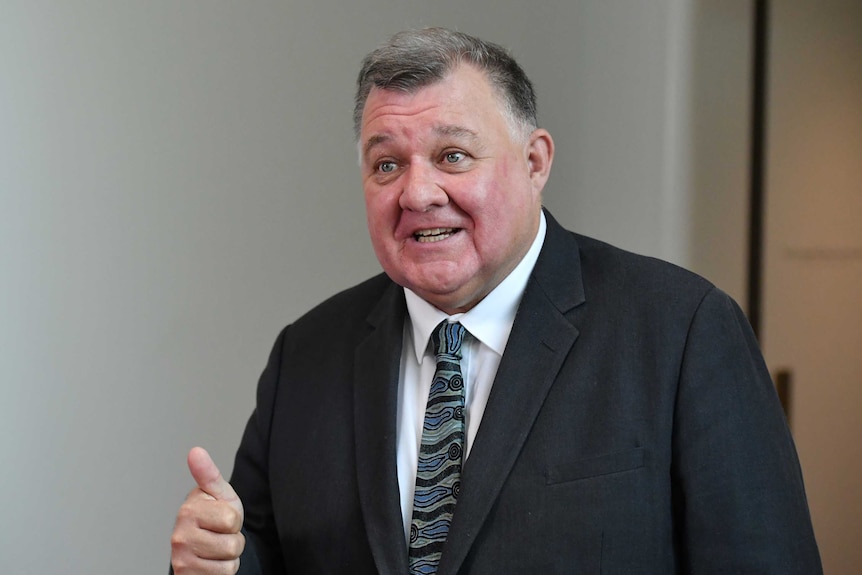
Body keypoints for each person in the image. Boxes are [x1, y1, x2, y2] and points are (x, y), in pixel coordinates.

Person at [169, 27, 822, 574]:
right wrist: (215, 559)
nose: (417, 193)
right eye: (386, 164)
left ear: (535, 162)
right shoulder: (306, 354)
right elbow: (261, 553)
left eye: (452, 155)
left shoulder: (682, 331)